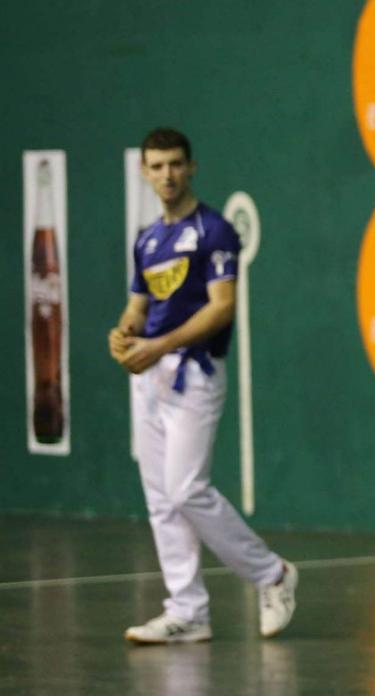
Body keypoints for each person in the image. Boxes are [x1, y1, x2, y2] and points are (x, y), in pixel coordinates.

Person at [109, 127, 297, 644]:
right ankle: (187, 610)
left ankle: (272, 574)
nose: (167, 174)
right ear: (145, 172)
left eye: (175, 164)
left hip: (195, 375)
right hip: (149, 378)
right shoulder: (147, 239)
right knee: (160, 498)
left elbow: (222, 306)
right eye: (157, 166)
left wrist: (160, 344)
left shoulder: (214, 231)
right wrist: (125, 332)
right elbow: (138, 306)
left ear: (191, 167)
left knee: (187, 487)